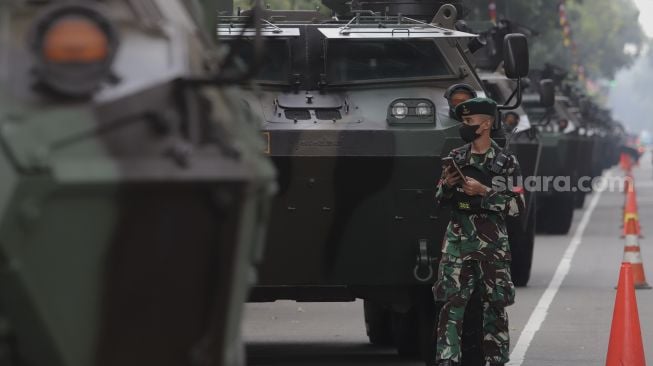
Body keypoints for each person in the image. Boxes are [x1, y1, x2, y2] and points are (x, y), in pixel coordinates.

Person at [433, 98, 524, 366]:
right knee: (450, 306)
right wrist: (447, 185)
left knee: (494, 307)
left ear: (486, 124)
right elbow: (438, 199)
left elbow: (517, 206)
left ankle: (496, 360)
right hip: (457, 245)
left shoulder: (507, 163)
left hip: (492, 248)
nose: (465, 126)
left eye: (470, 122)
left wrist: (484, 192)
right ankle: (447, 360)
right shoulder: (456, 158)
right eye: (464, 121)